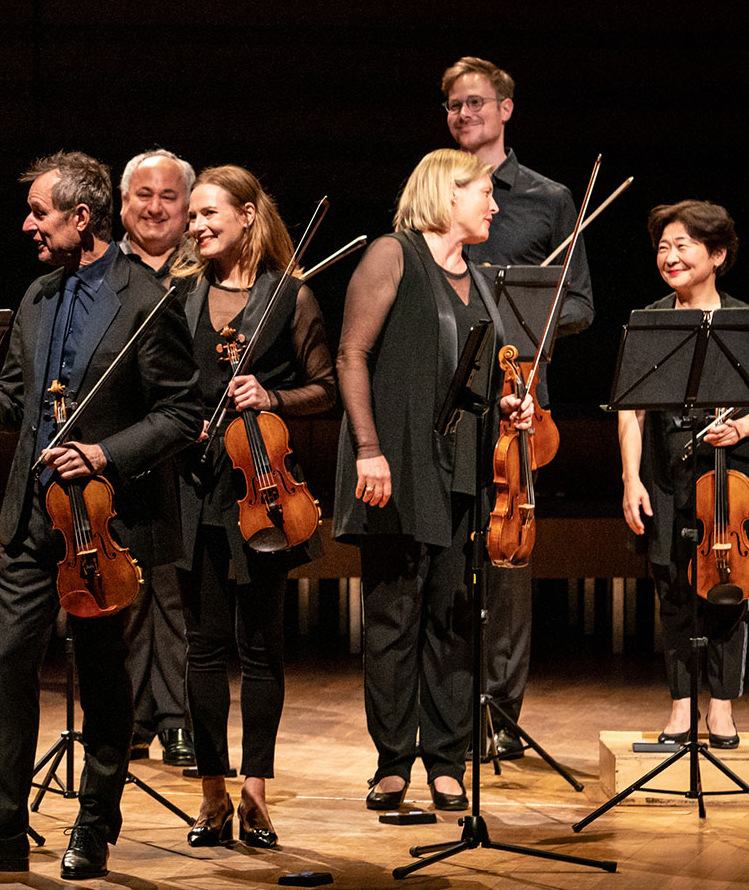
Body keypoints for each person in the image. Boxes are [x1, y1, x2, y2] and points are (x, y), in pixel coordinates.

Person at [0, 151, 200, 879]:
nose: (28, 224)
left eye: (40, 212)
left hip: (105, 522)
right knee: (8, 663)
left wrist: (104, 454)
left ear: (81, 217)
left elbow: (183, 411)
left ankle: (95, 824)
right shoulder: (37, 295)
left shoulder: (147, 299)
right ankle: (3, 826)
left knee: (100, 674)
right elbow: (14, 399)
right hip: (31, 520)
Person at [333, 148, 534, 813]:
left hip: (461, 470)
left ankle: (447, 759)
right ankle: (393, 763)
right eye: (485, 193)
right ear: (448, 194)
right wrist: (368, 448)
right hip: (392, 465)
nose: (495, 205)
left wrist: (509, 405)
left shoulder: (477, 279)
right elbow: (351, 354)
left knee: (453, 618)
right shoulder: (394, 254)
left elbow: (473, 376)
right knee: (394, 618)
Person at [169, 165, 337, 847]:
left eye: (212, 213)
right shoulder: (177, 299)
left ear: (246, 215)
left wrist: (270, 396)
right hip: (193, 488)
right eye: (193, 217)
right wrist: (186, 422)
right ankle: (211, 795)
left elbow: (324, 388)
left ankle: (256, 794)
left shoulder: (289, 298)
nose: (199, 226)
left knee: (263, 647)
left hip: (263, 492)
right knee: (204, 649)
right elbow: (161, 394)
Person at [442, 55, 595, 759]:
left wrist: (520, 325)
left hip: (515, 403)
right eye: (454, 106)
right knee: (445, 555)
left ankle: (499, 714)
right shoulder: (433, 193)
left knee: (507, 558)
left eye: (476, 103)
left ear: (506, 108)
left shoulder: (548, 198)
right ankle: (445, 708)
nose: (464, 115)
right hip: (447, 401)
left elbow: (583, 303)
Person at [618, 200, 745, 749]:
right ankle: (679, 708)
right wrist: (631, 479)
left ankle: (721, 708)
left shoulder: (743, 322)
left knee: (730, 590)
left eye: (683, 245)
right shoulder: (649, 321)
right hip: (666, 471)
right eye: (662, 247)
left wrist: (741, 430)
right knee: (672, 588)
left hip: (732, 477)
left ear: (716, 255)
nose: (669, 256)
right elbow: (630, 409)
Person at [117, 148, 197, 766]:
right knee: (124, 590)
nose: (155, 207)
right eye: (143, 194)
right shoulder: (101, 270)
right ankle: (129, 716)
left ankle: (175, 718)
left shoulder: (205, 271)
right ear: (122, 204)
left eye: (169, 196)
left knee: (171, 590)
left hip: (183, 451)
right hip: (117, 450)